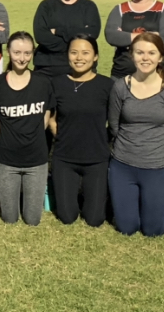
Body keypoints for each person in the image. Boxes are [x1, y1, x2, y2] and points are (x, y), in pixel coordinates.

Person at [108, 33, 164, 237]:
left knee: (152, 231)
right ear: (132, 55)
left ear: (161, 57)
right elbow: (114, 125)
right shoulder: (120, 87)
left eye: (151, 53)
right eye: (140, 52)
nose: (145, 58)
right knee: (126, 228)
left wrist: (155, 149)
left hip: (156, 167)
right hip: (123, 165)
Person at [0, 32, 55, 226]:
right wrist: (5, 136)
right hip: (7, 161)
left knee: (33, 220)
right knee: (10, 219)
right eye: (17, 52)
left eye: (27, 53)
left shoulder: (42, 83)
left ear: (32, 53)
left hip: (36, 160)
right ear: (8, 52)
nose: (22, 58)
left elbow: (47, 110)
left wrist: (34, 134)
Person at [49, 35, 114, 227]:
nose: (79, 58)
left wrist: (103, 140)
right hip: (64, 158)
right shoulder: (57, 83)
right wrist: (60, 137)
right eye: (74, 52)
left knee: (94, 219)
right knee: (67, 217)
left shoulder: (107, 85)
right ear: (67, 55)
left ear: (95, 57)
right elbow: (51, 119)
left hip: (96, 159)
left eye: (86, 53)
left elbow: (115, 122)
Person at [33, 0, 101, 78]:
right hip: (47, 70)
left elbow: (92, 34)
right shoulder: (46, 6)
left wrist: (58, 31)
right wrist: (76, 44)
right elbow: (41, 36)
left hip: (80, 70)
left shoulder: (89, 7)